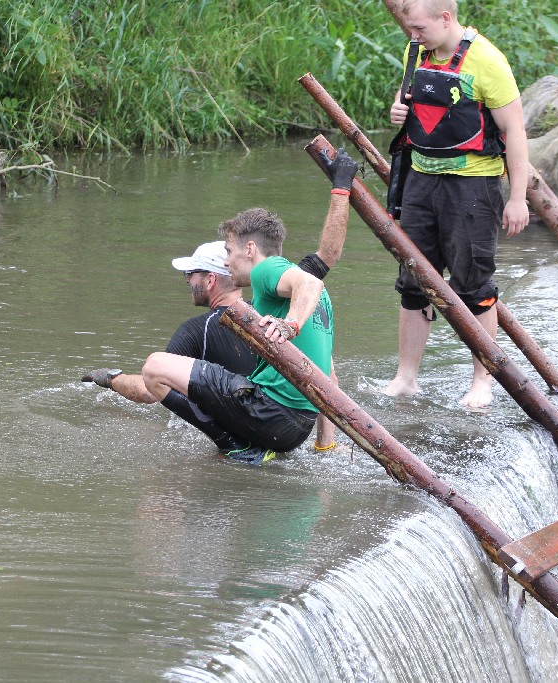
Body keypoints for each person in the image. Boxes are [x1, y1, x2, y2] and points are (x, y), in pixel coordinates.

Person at [86, 150, 358, 458]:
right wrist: (325, 444)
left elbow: (310, 282)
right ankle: (251, 444)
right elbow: (327, 374)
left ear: (250, 249)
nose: (228, 261)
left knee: (155, 366)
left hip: (269, 414)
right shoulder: (306, 300)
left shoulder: (268, 274)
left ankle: (236, 447)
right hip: (297, 428)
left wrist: (289, 325)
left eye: (229, 251)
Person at [382, 0, 530, 408]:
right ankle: (406, 377)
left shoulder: (488, 61)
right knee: (413, 279)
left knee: (473, 284)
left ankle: (482, 381)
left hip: (472, 187)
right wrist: (399, 107)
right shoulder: (419, 51)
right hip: (418, 181)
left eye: (419, 28)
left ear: (446, 19)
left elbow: (514, 131)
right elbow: (410, 93)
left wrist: (517, 198)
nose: (412, 35)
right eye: (410, 28)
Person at [80, 241, 256, 403]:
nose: (187, 279)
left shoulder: (197, 330)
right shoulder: (265, 315)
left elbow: (148, 391)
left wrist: (111, 379)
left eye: (190, 273)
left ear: (210, 280)